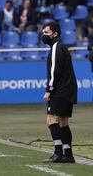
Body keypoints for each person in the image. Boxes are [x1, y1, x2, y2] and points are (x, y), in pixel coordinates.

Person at [42, 22, 77, 163]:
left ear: (55, 33)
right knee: (63, 122)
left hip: (60, 90)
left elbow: (54, 71)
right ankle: (68, 154)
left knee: (51, 120)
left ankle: (58, 153)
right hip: (68, 89)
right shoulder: (62, 47)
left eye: (47, 33)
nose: (44, 36)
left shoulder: (56, 47)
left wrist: (49, 90)